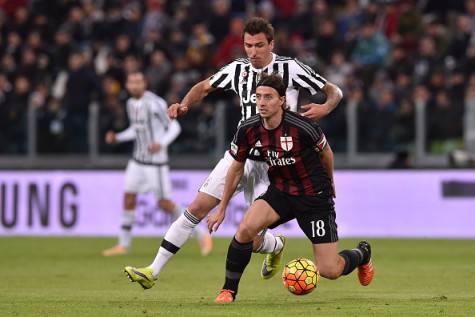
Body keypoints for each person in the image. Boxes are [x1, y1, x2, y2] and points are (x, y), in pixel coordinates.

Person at [123, 17, 342, 290]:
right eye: (248, 45)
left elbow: (334, 91)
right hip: (240, 154)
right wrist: (184, 104)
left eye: (259, 45)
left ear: (271, 44)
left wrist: (326, 107)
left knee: (251, 237)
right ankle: (152, 271)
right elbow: (203, 87)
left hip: (276, 164)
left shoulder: (291, 68)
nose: (252, 52)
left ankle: (274, 246)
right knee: (196, 208)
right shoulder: (237, 69)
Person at [207, 74, 374, 303]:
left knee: (329, 269)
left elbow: (326, 153)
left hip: (313, 196)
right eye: (258, 97)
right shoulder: (248, 129)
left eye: (268, 97)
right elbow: (236, 169)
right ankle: (228, 291)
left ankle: (362, 254)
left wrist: (330, 180)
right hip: (281, 191)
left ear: (282, 101)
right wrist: (222, 207)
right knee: (245, 230)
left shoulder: (303, 127)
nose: (262, 102)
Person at [102, 71, 212, 257]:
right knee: (129, 198)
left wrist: (161, 143)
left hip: (156, 164)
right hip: (137, 161)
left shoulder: (155, 104)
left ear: (145, 83)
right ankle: (123, 244)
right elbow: (136, 130)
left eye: (138, 81)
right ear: (127, 85)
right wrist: (118, 138)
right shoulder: (130, 103)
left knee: (164, 203)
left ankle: (202, 235)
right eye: (131, 82)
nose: (135, 85)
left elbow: (175, 127)